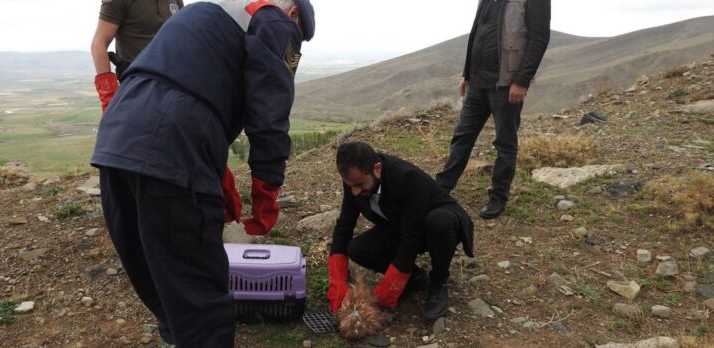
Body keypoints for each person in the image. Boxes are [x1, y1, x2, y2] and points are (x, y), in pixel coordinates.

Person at [90, 0, 315, 346]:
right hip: (174, 145)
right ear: (295, 14)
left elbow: (185, 88)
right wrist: (266, 189)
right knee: (200, 299)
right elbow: (270, 107)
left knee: (163, 285)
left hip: (117, 141)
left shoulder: (203, 11)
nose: (294, 49)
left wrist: (216, 172)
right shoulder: (275, 19)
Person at [326, 142, 474, 320]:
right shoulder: (354, 181)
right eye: (351, 186)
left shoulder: (407, 177)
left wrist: (392, 282)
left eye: (359, 184)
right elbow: (345, 225)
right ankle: (416, 278)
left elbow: (412, 236)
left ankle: (438, 282)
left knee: (439, 222)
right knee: (358, 249)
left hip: (436, 226)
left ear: (377, 169)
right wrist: (338, 281)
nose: (355, 192)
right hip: (401, 225)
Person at [436, 0, 551, 219]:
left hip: (506, 83)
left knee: (505, 143)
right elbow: (477, 31)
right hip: (478, 81)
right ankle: (441, 189)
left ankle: (498, 197)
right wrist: (467, 73)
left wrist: (522, 81)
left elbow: (539, 38)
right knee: (462, 137)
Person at [91, 0, 184, 112]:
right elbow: (98, 44)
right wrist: (109, 99)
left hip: (172, 89)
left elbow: (179, 38)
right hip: (137, 91)